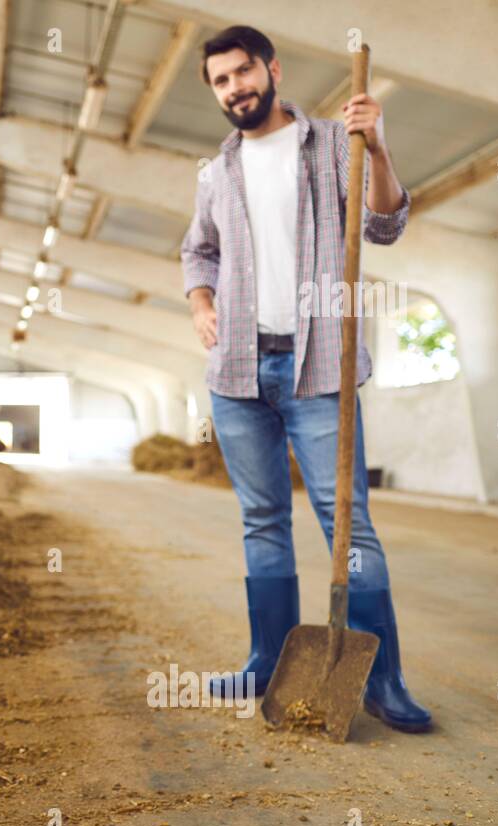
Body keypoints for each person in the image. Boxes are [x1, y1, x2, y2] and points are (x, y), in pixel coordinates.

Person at [179, 25, 431, 732]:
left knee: (349, 527)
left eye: (243, 72)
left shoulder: (334, 145)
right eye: (221, 80)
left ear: (272, 68)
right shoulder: (215, 172)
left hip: (319, 364)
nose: (235, 88)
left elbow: (384, 225)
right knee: (261, 521)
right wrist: (202, 304)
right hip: (236, 373)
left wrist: (378, 146)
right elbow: (197, 251)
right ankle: (267, 661)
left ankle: (383, 680)